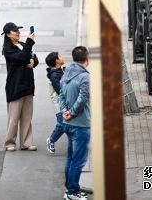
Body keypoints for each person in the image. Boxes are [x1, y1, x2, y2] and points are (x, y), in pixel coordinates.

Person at [1, 22, 39, 151]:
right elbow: (23, 57)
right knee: (14, 118)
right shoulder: (8, 49)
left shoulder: (23, 45)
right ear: (7, 34)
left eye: (18, 30)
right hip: (15, 86)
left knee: (27, 116)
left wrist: (34, 61)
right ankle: (10, 142)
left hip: (28, 85)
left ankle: (26, 143)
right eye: (14, 31)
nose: (17, 32)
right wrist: (29, 42)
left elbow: (33, 57)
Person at [60, 46, 91, 200]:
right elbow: (82, 99)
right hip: (81, 124)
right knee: (78, 160)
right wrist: (71, 112)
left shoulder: (67, 73)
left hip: (68, 123)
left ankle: (71, 189)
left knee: (71, 158)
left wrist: (64, 111)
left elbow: (61, 95)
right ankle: (72, 192)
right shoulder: (84, 77)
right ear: (87, 59)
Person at [44, 51, 66, 154]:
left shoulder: (61, 71)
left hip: (65, 101)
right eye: (60, 56)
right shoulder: (54, 75)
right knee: (62, 124)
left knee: (68, 123)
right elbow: (59, 90)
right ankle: (51, 140)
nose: (62, 57)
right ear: (57, 61)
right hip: (59, 103)